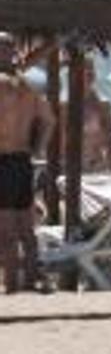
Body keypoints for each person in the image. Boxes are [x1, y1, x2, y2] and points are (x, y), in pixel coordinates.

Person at [0, 33, 55, 294]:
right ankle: (30, 282)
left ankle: (11, 287)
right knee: (26, 229)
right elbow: (50, 120)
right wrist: (37, 147)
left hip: (4, 160)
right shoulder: (29, 86)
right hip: (23, 160)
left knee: (7, 230)